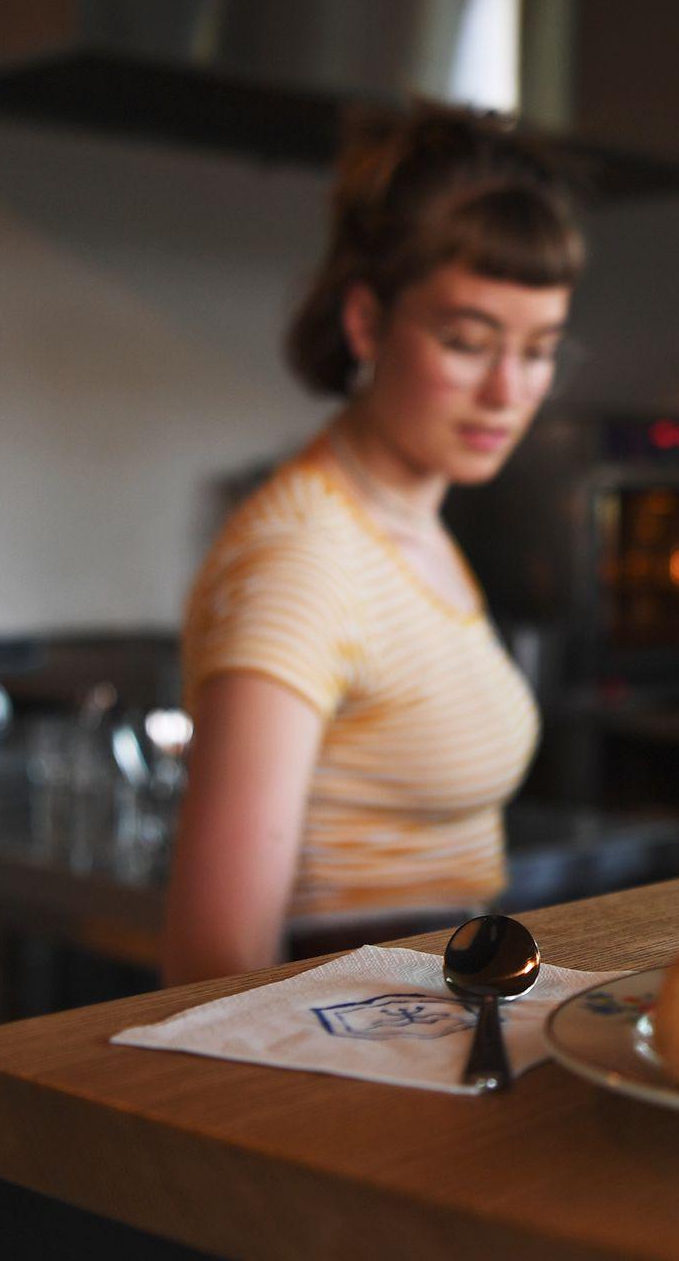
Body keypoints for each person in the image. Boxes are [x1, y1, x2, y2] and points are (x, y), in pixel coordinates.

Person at [161, 105, 585, 983]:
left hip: (431, 1026)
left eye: (539, 349)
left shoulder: (412, 523)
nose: (509, 390)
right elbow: (212, 957)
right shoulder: (303, 560)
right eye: (467, 341)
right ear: (366, 324)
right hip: (351, 1048)